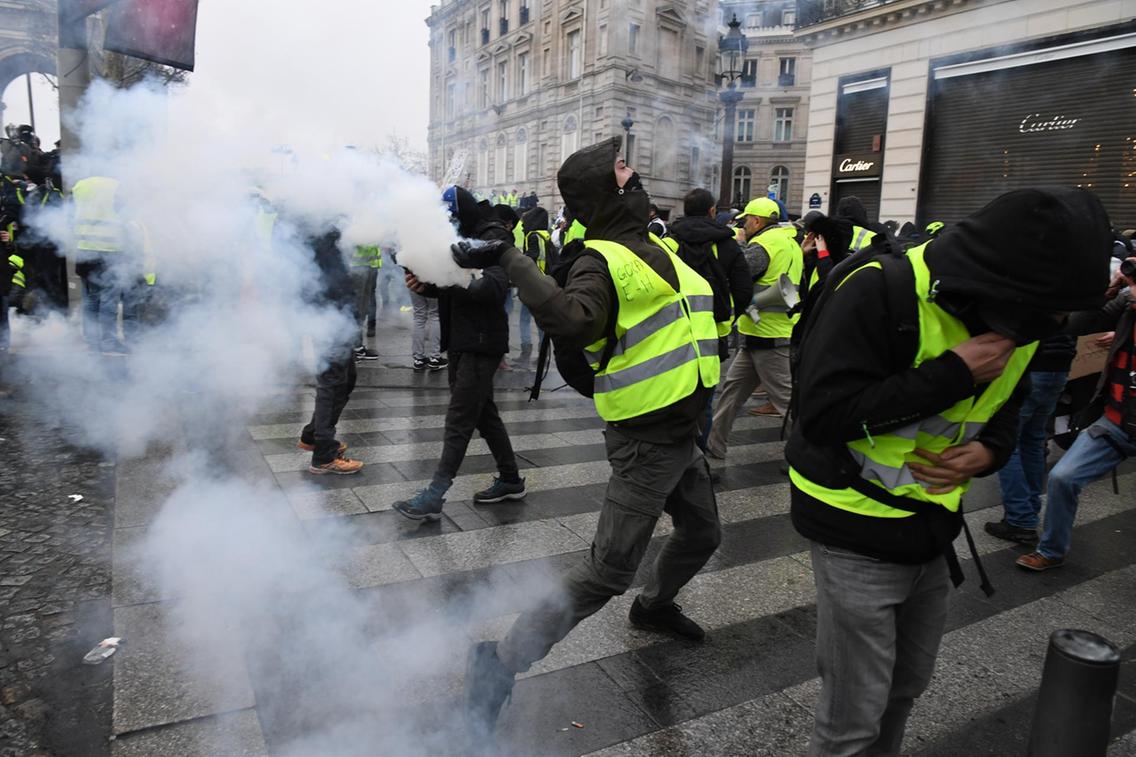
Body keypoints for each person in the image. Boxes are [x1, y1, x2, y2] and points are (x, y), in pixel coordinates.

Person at [786, 187, 1111, 755]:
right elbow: (821, 414)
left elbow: (1008, 408)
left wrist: (991, 453)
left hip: (932, 528)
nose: (1053, 325)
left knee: (906, 688)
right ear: (1003, 282)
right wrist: (954, 373)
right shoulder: (879, 290)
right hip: (853, 528)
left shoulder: (1028, 319)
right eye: (1047, 311)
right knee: (852, 721)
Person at [451, 138, 722, 738]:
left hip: (681, 433)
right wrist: (512, 261)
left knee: (703, 532)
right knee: (604, 572)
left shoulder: (657, 246)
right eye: (625, 170)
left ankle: (653, 609)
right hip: (647, 440)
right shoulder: (601, 257)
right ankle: (497, 666)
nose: (637, 175)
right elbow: (573, 319)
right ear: (606, 188)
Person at [392, 186, 524, 519]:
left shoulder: (493, 238)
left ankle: (435, 494)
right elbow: (456, 285)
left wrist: (451, 271)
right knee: (484, 414)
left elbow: (493, 287)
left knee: (459, 419)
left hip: (482, 341)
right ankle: (510, 479)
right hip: (465, 339)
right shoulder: (466, 235)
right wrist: (428, 286)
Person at [1016, 258, 1136, 570]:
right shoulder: (1128, 304)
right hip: (1118, 420)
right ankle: (1052, 550)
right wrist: (1111, 291)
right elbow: (1078, 324)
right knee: (1062, 477)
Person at [706, 197, 803, 457]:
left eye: (746, 220)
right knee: (731, 394)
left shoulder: (763, 245)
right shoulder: (790, 243)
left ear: (757, 221)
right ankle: (714, 446)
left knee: (787, 402)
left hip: (767, 335)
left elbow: (739, 274)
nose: (744, 225)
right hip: (765, 332)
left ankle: (810, 454)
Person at [663, 188, 753, 451]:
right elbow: (744, 290)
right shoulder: (727, 244)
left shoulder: (669, 241)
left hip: (673, 330)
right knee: (704, 397)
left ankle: (672, 449)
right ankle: (699, 453)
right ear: (712, 211)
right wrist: (730, 315)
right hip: (713, 334)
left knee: (673, 390)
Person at [984, 332, 1077, 544]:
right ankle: (1029, 509)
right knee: (1033, 441)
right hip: (1059, 367)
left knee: (1008, 443)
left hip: (1031, 365)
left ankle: (1019, 518)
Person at [298, 225, 366, 475]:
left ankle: (312, 435)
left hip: (335, 312)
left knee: (345, 380)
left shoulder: (319, 226)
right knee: (332, 382)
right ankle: (324, 453)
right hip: (328, 314)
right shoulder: (317, 228)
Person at [72, 176, 144, 354]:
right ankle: (109, 341)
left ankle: (92, 340)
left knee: (90, 298)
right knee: (109, 300)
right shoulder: (115, 186)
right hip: (110, 249)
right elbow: (126, 215)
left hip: (83, 248)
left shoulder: (80, 186)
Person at [517, 205, 552, 365]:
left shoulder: (532, 236)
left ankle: (526, 351)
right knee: (541, 323)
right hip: (544, 283)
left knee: (525, 319)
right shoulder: (546, 235)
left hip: (532, 283)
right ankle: (543, 353)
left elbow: (532, 257)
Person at [348, 244, 381, 361]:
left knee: (363, 308)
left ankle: (357, 347)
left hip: (370, 266)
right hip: (358, 267)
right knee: (357, 308)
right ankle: (354, 348)